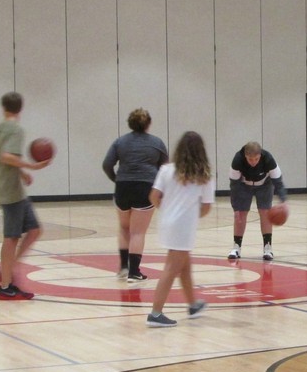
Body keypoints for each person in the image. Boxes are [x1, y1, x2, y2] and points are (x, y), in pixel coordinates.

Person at [146, 131, 214, 328]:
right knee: (171, 269)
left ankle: (192, 305)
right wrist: (189, 215)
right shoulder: (204, 176)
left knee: (184, 266)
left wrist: (168, 211)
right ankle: (155, 313)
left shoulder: (166, 170)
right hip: (184, 227)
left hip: (166, 223)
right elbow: (206, 207)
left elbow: (153, 197)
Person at [0, 91, 50, 300]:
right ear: (20, 108)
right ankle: (6, 286)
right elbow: (6, 156)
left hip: (10, 187)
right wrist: (30, 166)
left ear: (3, 108)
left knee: (34, 230)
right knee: (11, 238)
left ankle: (8, 268)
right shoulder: (16, 130)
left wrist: (21, 173)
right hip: (10, 191)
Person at [103, 109, 169, 282]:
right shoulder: (157, 143)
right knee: (138, 232)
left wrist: (116, 179)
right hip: (145, 187)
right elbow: (165, 168)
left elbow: (107, 164)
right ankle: (134, 272)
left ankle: (123, 268)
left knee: (124, 228)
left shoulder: (120, 142)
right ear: (148, 123)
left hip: (123, 187)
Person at [226, 141, 287, 261]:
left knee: (265, 212)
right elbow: (234, 186)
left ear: (260, 155)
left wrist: (283, 200)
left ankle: (268, 248)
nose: (253, 162)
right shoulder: (237, 160)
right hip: (243, 185)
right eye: (250, 159)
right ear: (245, 156)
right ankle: (236, 247)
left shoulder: (268, 159)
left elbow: (278, 182)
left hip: (265, 185)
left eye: (256, 159)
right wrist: (236, 208)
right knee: (240, 214)